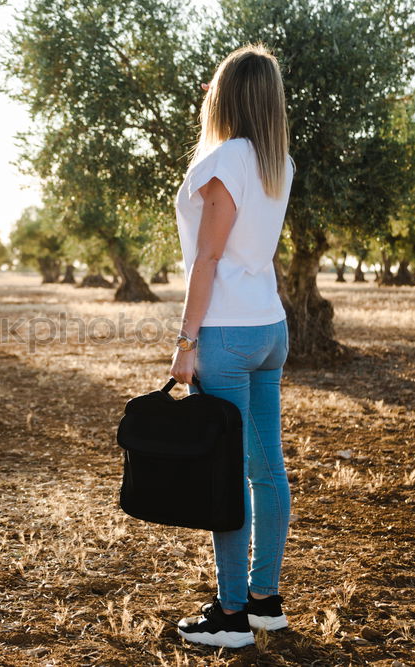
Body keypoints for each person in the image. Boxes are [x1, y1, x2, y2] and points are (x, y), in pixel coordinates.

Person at [169, 43, 295, 649]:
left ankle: (230, 616)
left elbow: (208, 259)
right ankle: (265, 601)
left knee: (227, 476)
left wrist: (185, 341)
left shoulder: (226, 160)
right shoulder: (278, 162)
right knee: (266, 470)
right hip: (270, 329)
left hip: (226, 335)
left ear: (226, 95)